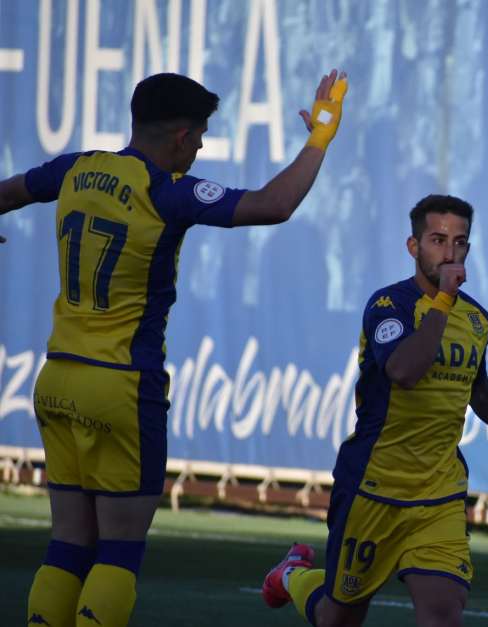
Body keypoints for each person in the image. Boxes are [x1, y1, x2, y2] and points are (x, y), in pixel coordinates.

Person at [0, 69, 348, 627]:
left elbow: (10, 192)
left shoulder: (77, 168)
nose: (204, 146)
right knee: (118, 551)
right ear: (183, 136)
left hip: (57, 379)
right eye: (203, 135)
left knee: (67, 542)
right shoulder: (167, 190)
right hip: (120, 386)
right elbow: (272, 204)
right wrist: (319, 139)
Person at [261, 194, 488, 627]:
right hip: (374, 485)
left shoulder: (477, 319)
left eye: (459, 242)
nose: (449, 251)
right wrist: (441, 301)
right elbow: (404, 371)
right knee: (337, 618)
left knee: (442, 613)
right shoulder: (390, 306)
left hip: (438, 490)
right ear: (413, 246)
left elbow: (477, 387)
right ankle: (291, 576)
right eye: (438, 240)